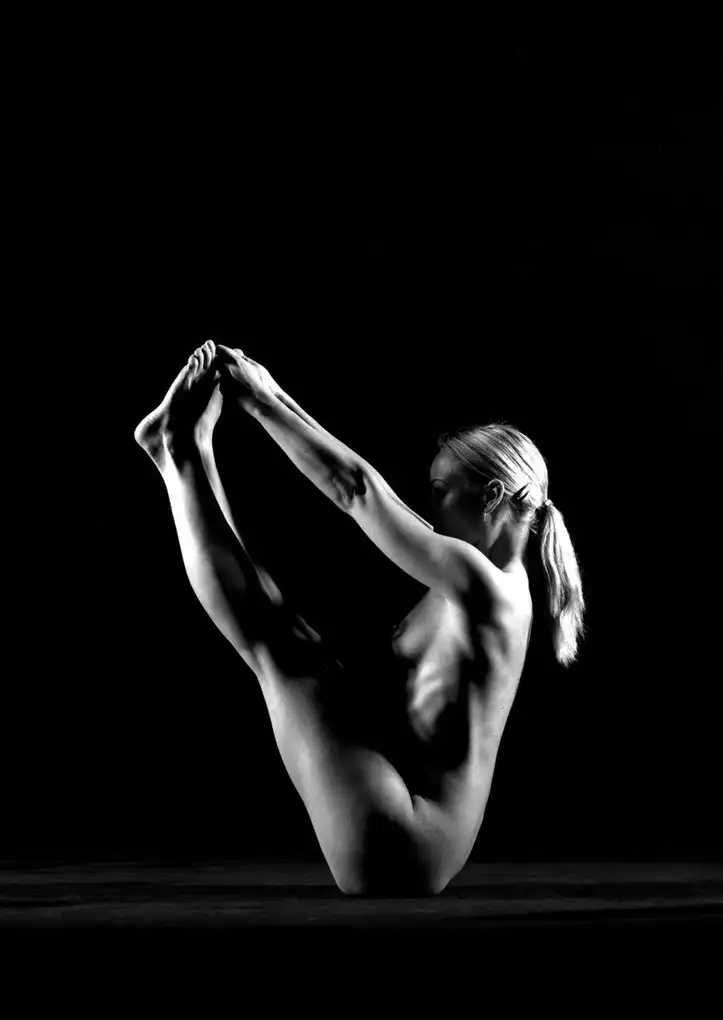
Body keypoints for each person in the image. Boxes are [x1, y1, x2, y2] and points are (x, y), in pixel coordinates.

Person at [134, 341, 587, 895]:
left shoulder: (487, 588)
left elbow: (358, 491)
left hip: (404, 843)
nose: (431, 510)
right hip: (406, 823)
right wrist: (270, 392)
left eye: (442, 492)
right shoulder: (482, 582)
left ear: (491, 495)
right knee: (288, 635)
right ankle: (189, 449)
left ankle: (178, 451)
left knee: (280, 649)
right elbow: (372, 494)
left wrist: (261, 402)